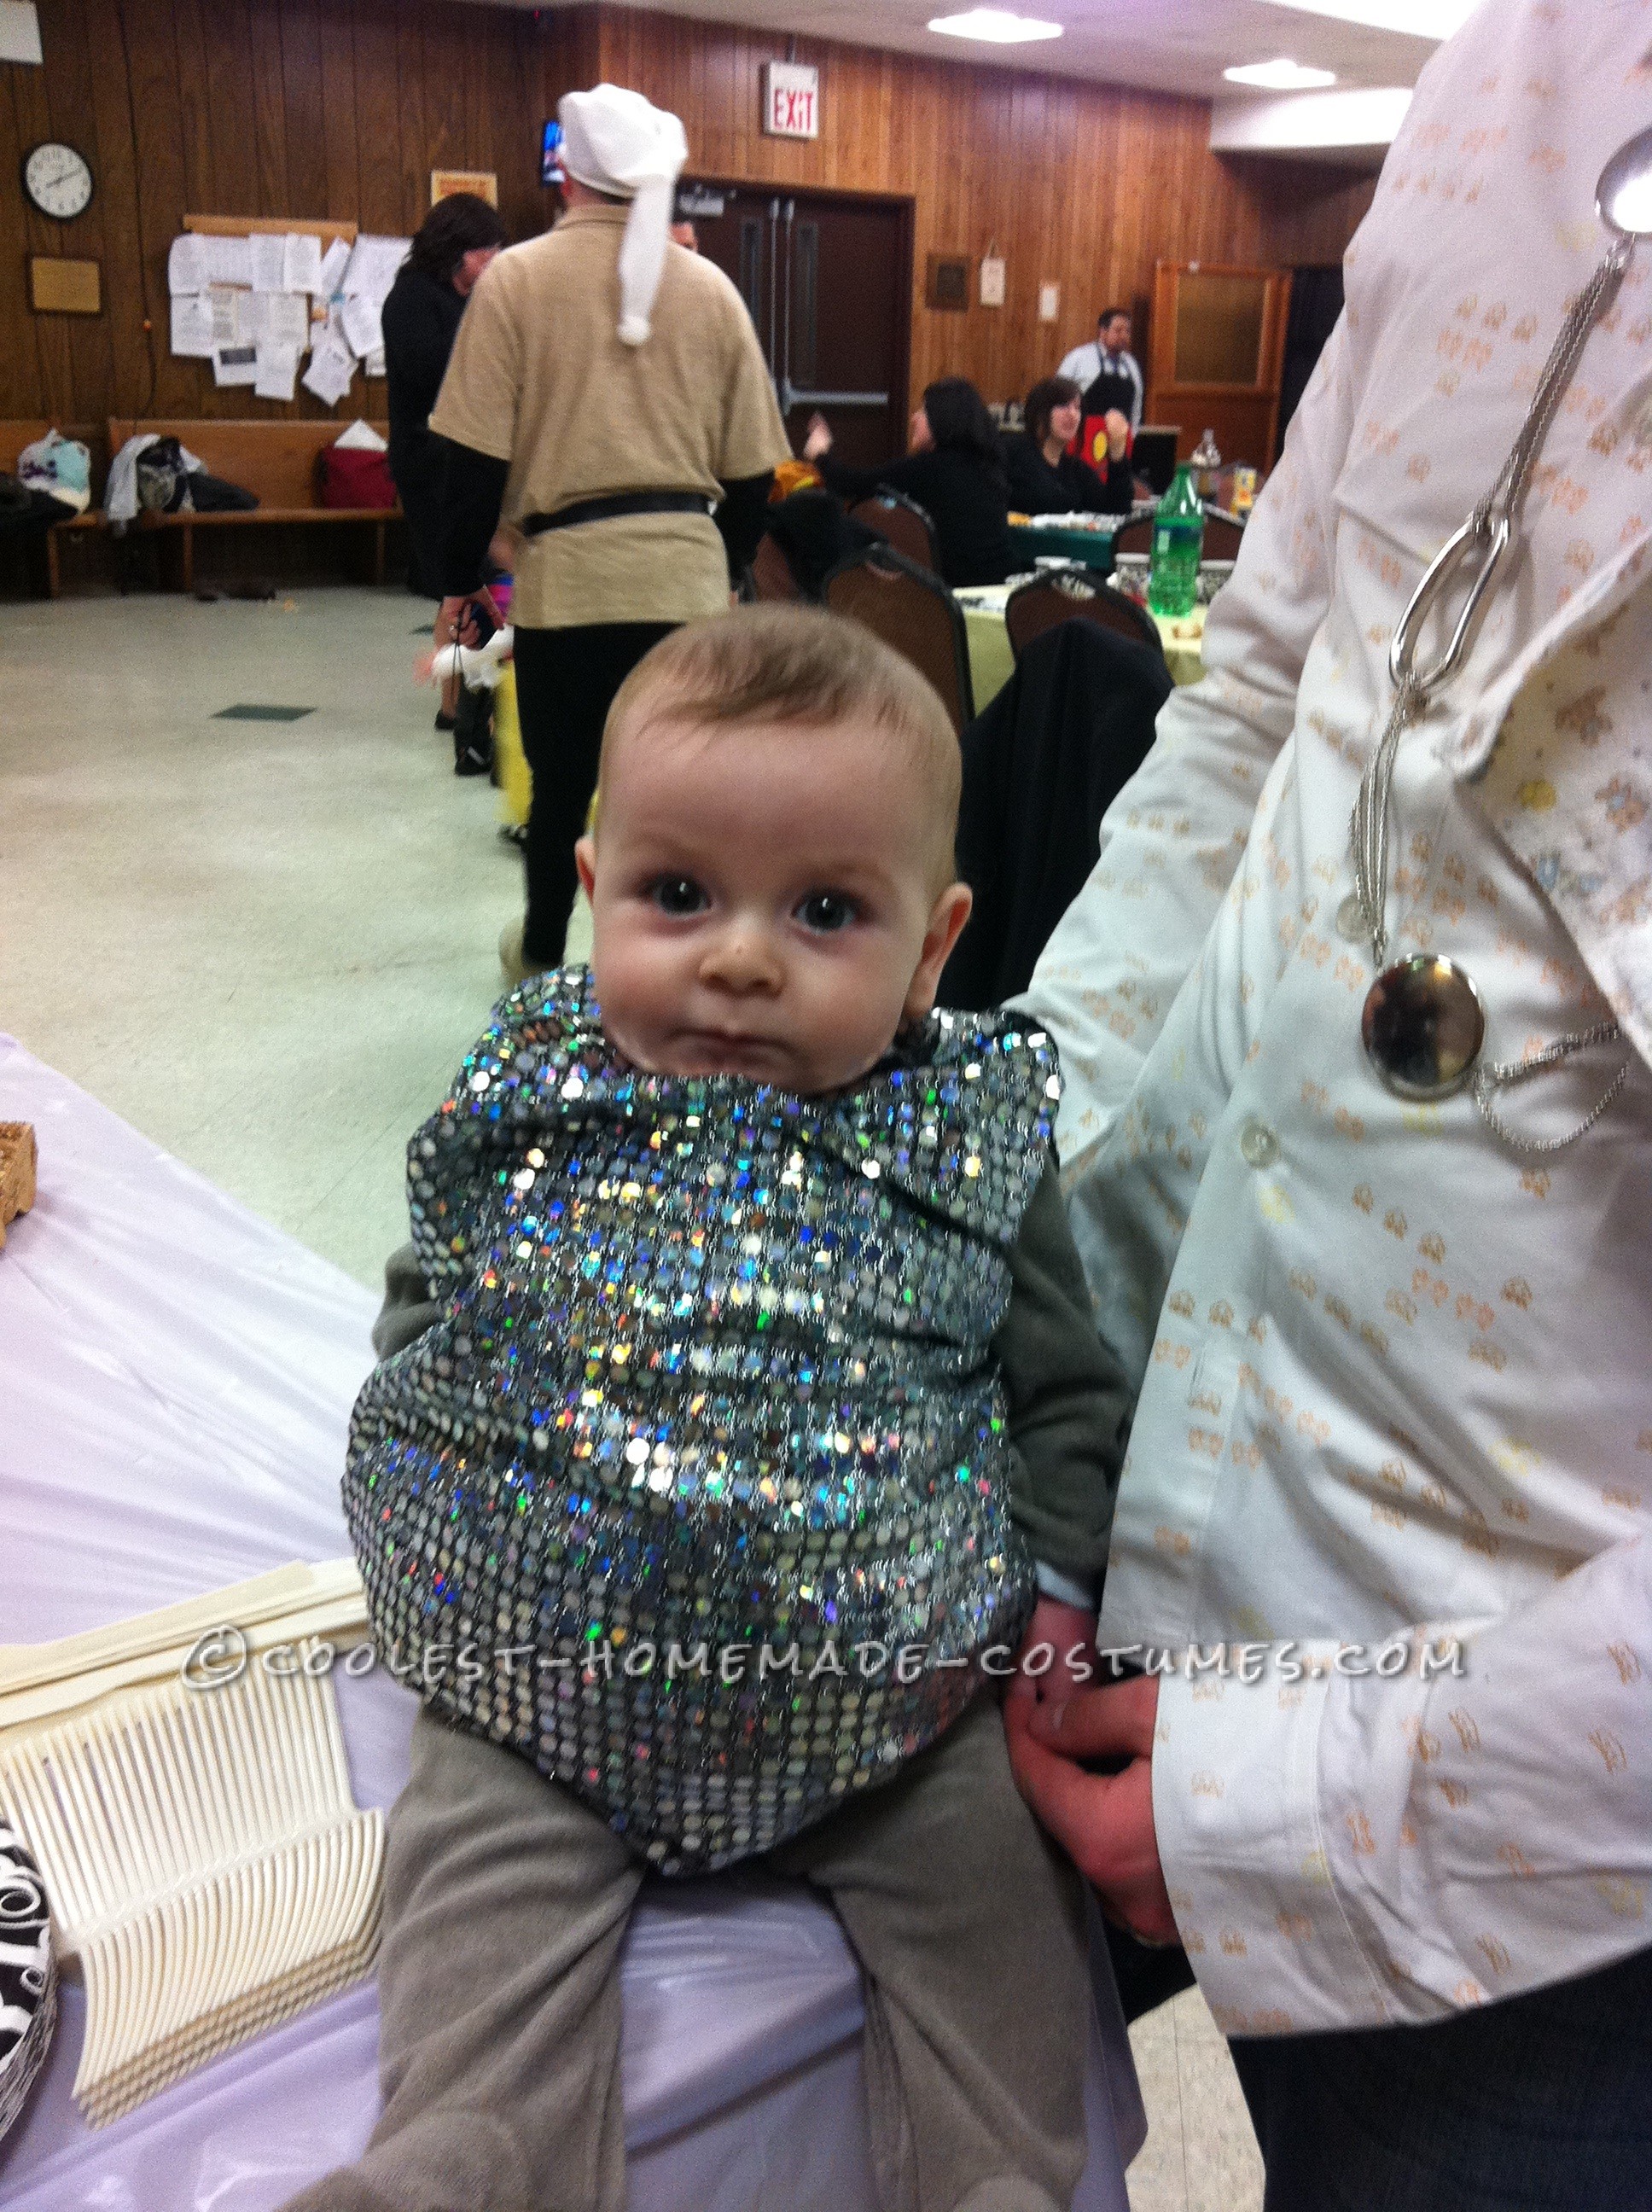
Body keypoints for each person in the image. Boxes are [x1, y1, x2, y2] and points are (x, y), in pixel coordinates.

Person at [1007, 5, 1652, 2206]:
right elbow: (1275, 688)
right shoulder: (1519, 57)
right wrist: (978, 1188)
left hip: (1556, 1851)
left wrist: (1320, 1807)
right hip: (1203, 1557)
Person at [288, 607, 1133, 2212]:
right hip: (545, 1677)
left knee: (1000, 1918)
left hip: (894, 1700)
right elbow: (431, 1305)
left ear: (932, 952)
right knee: (471, 1884)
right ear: (592, 889)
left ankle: (998, 2178)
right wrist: (428, 1501)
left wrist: (1059, 1598)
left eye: (824, 911)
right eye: (679, 895)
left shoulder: (967, 1138)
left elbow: (1070, 1392)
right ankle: (452, 2168)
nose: (739, 957)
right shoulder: (525, 1093)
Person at [428, 84, 789, 982]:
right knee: (686, 801)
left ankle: (544, 961)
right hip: (684, 589)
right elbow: (752, 477)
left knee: (561, 795)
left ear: (566, 176)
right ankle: (688, 974)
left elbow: (467, 466)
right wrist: (727, 566)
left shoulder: (514, 280)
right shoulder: (710, 290)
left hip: (569, 585)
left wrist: (460, 573)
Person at [381, 193, 506, 769]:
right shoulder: (410, 297)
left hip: (469, 458)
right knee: (458, 580)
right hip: (428, 460)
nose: (494, 262)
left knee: (466, 577)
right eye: (486, 252)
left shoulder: (471, 298)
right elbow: (431, 372)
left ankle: (457, 703)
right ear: (456, 250)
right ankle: (457, 706)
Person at [802, 377, 1014, 588]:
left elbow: (848, 484)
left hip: (953, 592)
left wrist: (820, 454)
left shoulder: (929, 468)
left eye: (923, 411)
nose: (914, 418)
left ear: (941, 418)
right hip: (1001, 584)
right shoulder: (988, 464)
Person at [1001, 376, 1131, 516]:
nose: (1073, 415)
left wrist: (1117, 456)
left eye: (1077, 408)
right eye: (1063, 405)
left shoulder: (1076, 470)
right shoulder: (1010, 452)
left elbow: (1116, 512)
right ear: (1040, 411)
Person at [1057, 309, 1142, 434]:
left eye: (1127, 331)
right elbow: (1058, 397)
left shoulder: (1131, 365)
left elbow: (1136, 407)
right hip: (1083, 439)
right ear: (1103, 331)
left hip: (1120, 442)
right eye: (1118, 331)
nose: (1124, 336)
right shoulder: (1078, 358)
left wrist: (1132, 435)